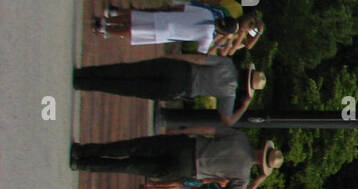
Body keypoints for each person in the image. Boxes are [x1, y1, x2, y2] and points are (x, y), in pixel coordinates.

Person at [70, 129, 282, 189]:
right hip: (187, 168)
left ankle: (83, 150)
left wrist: (183, 129)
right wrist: (256, 182)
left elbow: (210, 129)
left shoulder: (240, 138)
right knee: (130, 166)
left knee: (131, 146)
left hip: (186, 145)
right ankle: (83, 164)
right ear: (262, 165)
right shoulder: (243, 176)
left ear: (262, 148)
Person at [73, 55, 266, 125]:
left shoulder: (227, 63)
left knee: (129, 69)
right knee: (131, 88)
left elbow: (199, 59)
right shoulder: (229, 95)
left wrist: (176, 57)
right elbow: (227, 120)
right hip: (182, 89)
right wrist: (244, 106)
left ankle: (84, 73)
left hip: (180, 69)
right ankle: (85, 84)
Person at [94, 3, 237, 53]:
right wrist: (218, 42)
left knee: (135, 17)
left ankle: (106, 20)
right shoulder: (208, 36)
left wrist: (168, 9)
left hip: (165, 18)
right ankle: (106, 29)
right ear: (223, 32)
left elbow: (183, 8)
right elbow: (202, 52)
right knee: (134, 32)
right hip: (165, 33)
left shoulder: (207, 12)